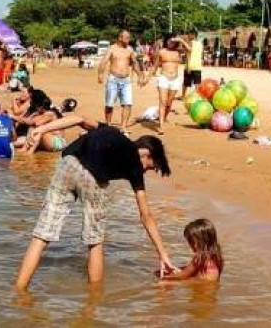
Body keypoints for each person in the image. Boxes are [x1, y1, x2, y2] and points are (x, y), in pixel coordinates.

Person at [15, 115, 174, 289]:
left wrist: (42, 129)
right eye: (151, 166)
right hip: (93, 178)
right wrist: (162, 254)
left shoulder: (111, 130)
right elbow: (146, 216)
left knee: (41, 235)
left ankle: (19, 290)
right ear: (146, 153)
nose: (146, 171)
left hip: (68, 164)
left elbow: (79, 119)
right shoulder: (135, 164)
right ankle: (93, 302)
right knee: (95, 241)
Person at [98, 30, 146, 133]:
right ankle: (108, 125)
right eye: (127, 37)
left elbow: (135, 63)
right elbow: (104, 61)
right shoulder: (112, 48)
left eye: (129, 37)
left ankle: (123, 126)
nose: (129, 39)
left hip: (126, 80)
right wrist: (100, 74)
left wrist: (140, 76)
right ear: (120, 38)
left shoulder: (129, 49)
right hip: (113, 80)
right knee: (109, 104)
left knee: (128, 104)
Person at [158, 218, 223, 282]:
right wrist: (178, 269)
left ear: (202, 241)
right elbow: (192, 269)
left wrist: (165, 278)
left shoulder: (199, 258)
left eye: (191, 241)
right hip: (211, 289)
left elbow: (182, 276)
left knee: (162, 283)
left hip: (200, 286)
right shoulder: (217, 257)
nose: (189, 245)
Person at [151, 36, 184, 135]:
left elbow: (190, 50)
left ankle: (164, 118)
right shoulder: (162, 52)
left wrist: (181, 40)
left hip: (175, 79)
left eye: (173, 41)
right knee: (163, 102)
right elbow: (155, 65)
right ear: (166, 41)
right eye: (169, 40)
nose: (171, 42)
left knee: (169, 103)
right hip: (163, 78)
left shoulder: (178, 52)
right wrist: (147, 77)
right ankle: (161, 126)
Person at [177, 31, 203, 100]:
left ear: (193, 35)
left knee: (186, 83)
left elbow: (189, 51)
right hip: (198, 66)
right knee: (197, 83)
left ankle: (183, 96)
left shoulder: (191, 43)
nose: (188, 36)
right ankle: (197, 97)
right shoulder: (200, 43)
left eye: (189, 35)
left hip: (190, 66)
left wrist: (182, 41)